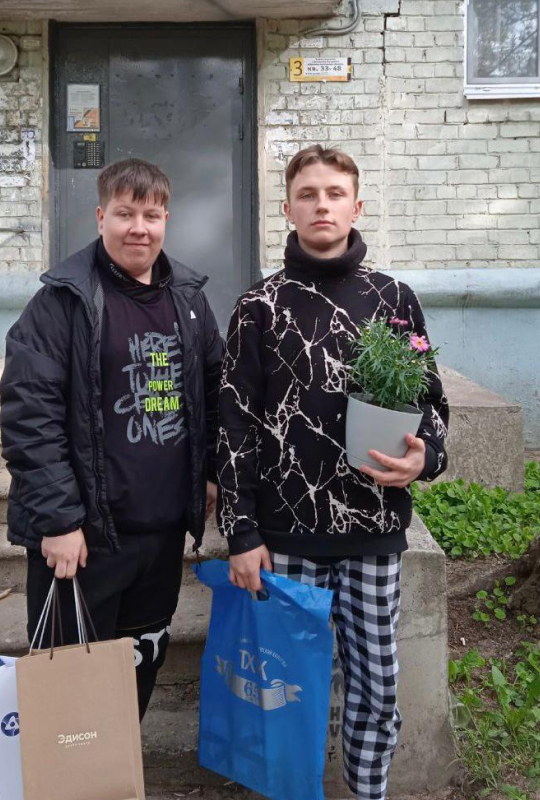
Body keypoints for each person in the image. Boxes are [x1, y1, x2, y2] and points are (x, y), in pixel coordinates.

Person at [217, 145, 449, 800]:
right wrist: (240, 531)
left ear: (357, 205)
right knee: (287, 694)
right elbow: (233, 424)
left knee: (375, 692)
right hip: (285, 540)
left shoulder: (393, 299)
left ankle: (366, 792)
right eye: (308, 194)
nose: (322, 205)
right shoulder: (259, 306)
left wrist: (425, 457)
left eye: (335, 193)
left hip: (373, 534)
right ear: (288, 208)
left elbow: (431, 403)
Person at [0, 158, 223, 719]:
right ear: (101, 217)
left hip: (161, 537)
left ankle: (118, 765)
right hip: (84, 541)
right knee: (72, 699)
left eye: (151, 215)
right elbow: (29, 416)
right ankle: (75, 768)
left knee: (136, 676)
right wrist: (58, 521)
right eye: (125, 214)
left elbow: (215, 393)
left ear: (166, 219)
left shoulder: (190, 301)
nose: (138, 228)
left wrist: (212, 471)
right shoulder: (62, 302)